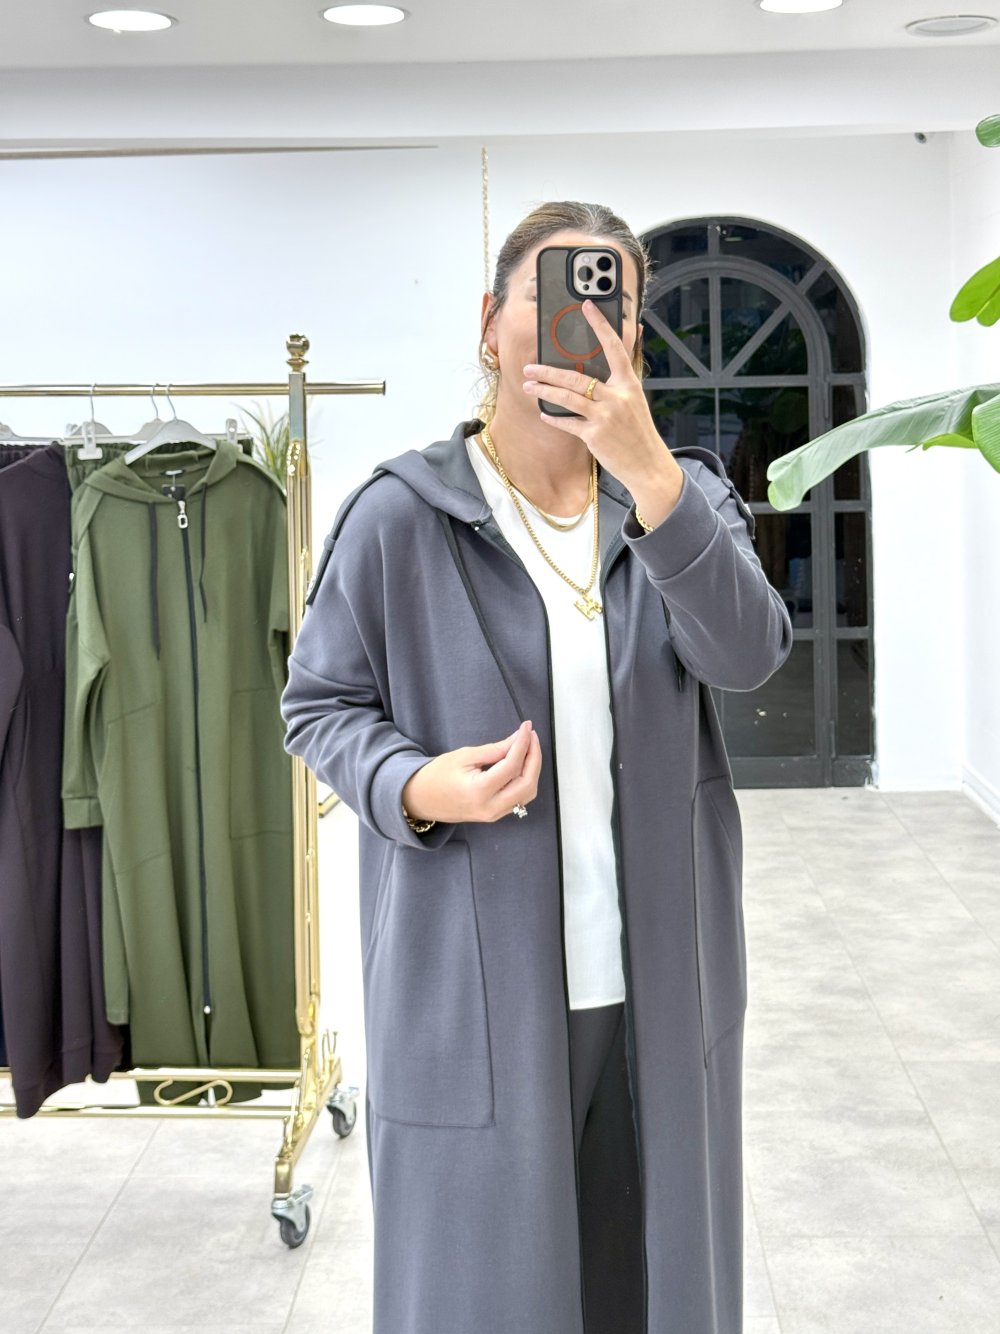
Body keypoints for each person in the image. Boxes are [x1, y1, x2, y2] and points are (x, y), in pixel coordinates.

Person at [280, 200, 793, 1334]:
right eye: (553, 294)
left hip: (659, 987)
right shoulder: (400, 516)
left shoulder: (684, 497)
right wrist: (417, 786)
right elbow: (317, 706)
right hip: (475, 996)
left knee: (648, 1289)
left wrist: (650, 474)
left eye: (616, 303)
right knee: (485, 1294)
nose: (586, 323)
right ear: (490, 322)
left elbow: (748, 653)